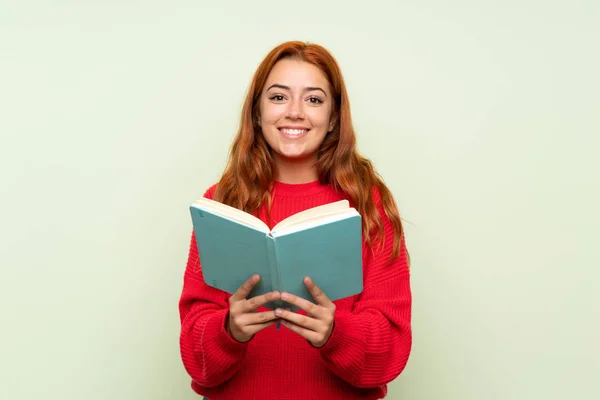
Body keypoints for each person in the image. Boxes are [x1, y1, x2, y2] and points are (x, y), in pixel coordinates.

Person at [178, 40, 412, 400]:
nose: (295, 112)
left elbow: (390, 352)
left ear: (334, 117)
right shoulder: (221, 202)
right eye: (278, 97)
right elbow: (197, 360)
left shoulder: (369, 204)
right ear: (257, 111)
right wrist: (229, 330)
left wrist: (335, 332)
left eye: (314, 99)